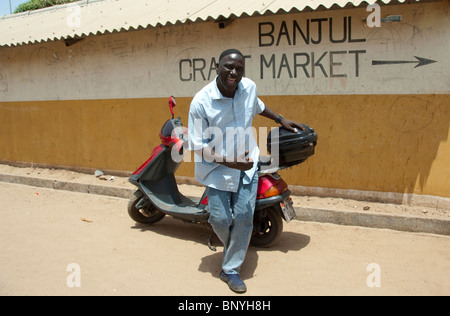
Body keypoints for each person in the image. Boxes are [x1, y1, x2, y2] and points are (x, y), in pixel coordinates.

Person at [188, 49, 303, 293]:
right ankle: (238, 245)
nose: (234, 72)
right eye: (229, 67)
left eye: (239, 68)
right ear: (217, 67)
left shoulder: (248, 87)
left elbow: (258, 106)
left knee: (243, 217)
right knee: (220, 218)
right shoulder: (201, 101)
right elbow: (196, 145)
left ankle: (230, 269)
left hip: (248, 165)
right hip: (217, 169)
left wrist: (280, 119)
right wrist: (229, 161)